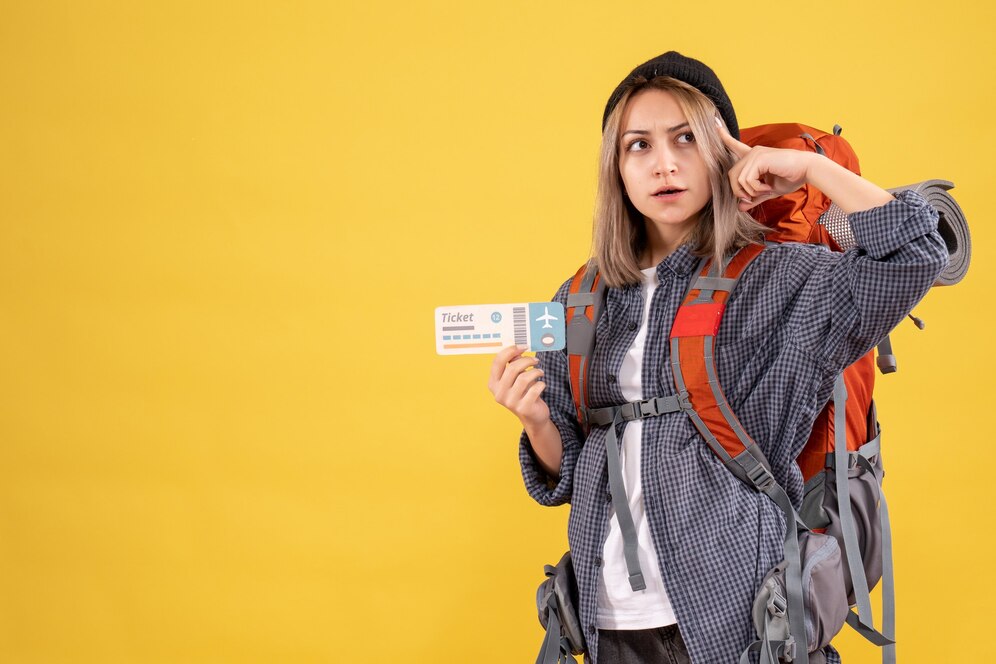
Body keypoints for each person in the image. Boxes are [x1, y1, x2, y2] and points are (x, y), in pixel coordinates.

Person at [487, 51, 947, 664]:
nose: (665, 164)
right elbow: (566, 471)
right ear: (615, 169)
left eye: (686, 139)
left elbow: (917, 253)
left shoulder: (782, 280)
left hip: (737, 614)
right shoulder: (579, 297)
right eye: (639, 146)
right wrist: (535, 421)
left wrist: (811, 168)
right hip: (606, 620)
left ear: (722, 154)